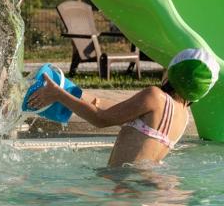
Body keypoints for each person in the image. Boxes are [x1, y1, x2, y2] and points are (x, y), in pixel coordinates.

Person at [28, 48, 219, 167]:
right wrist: (73, 91)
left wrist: (58, 94)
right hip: (147, 184)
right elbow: (112, 110)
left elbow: (100, 119)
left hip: (126, 184)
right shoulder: (182, 115)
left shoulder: (155, 96)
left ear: (171, 72)